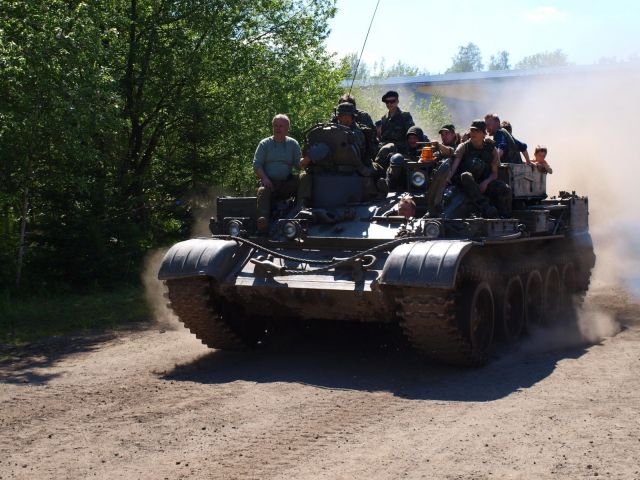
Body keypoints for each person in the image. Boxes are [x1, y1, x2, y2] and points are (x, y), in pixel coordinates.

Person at [448, 119, 512, 218]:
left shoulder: (491, 149)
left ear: (483, 134)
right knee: (465, 175)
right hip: (465, 183)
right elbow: (454, 167)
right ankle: (486, 208)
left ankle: (505, 218)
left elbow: (494, 174)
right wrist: (448, 177)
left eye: (476, 131)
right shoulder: (463, 147)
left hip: (484, 182)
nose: (473, 133)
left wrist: (486, 182)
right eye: (472, 130)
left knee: (505, 189)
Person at [253, 114, 304, 230]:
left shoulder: (293, 144)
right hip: (269, 184)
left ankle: (302, 208)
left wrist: (307, 158)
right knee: (262, 191)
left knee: (304, 177)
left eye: (281, 126)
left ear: (287, 128)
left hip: (286, 184)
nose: (277, 128)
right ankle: (263, 221)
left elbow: (299, 164)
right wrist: (264, 178)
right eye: (275, 126)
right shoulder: (264, 144)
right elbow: (257, 164)